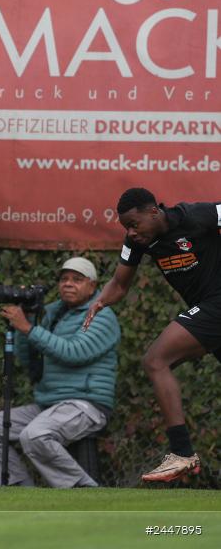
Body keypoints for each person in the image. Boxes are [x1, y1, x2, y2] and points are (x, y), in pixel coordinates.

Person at [84, 188, 221, 482]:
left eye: (134, 224)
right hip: (209, 312)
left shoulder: (197, 215)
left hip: (217, 304)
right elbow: (120, 285)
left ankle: (182, 453)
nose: (131, 233)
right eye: (125, 228)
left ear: (154, 212)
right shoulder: (138, 242)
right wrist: (100, 301)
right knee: (159, 364)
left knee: (156, 360)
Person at [0, 257, 120, 488]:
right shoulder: (53, 312)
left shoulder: (102, 316)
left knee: (35, 435)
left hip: (86, 405)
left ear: (93, 286)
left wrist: (28, 327)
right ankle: (19, 489)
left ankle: (83, 490)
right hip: (50, 405)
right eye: (64, 279)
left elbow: (74, 352)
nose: (68, 284)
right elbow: (29, 358)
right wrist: (28, 320)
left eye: (77, 279)